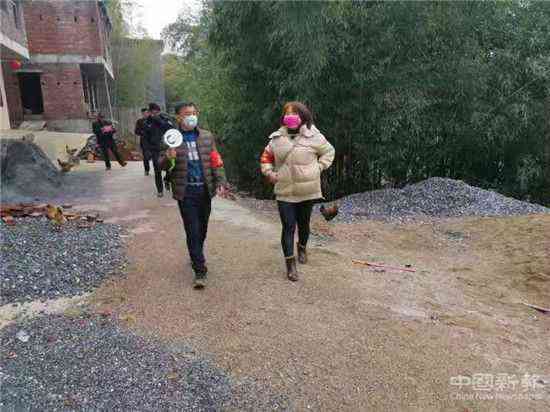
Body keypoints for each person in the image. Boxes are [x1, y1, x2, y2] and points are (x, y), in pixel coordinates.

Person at [260, 101, 335, 281]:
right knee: (288, 226)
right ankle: (290, 265)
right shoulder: (277, 139)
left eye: (294, 113)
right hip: (284, 190)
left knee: (304, 224)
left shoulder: (314, 136)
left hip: (307, 190)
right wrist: (269, 172)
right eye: (287, 113)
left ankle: (302, 247)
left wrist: (319, 167)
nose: (290, 116)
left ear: (303, 116)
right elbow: (266, 158)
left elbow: (329, 151)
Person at [160, 102, 229, 289]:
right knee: (192, 230)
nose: (191, 116)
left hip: (204, 190)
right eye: (187, 114)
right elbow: (161, 165)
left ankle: (196, 253)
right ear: (179, 117)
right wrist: (168, 157)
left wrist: (221, 182)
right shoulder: (171, 138)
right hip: (186, 191)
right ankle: (200, 270)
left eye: (194, 113)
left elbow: (216, 161)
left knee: (202, 229)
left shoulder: (206, 136)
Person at [144, 102, 176, 197]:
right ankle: (160, 190)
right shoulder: (147, 123)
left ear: (159, 111)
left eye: (156, 112)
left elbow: (172, 129)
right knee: (157, 169)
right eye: (152, 113)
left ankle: (167, 179)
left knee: (171, 167)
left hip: (167, 147)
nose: (154, 114)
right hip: (155, 149)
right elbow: (145, 138)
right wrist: (147, 150)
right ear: (150, 112)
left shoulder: (165, 119)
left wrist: (160, 121)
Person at [134, 107, 151, 175]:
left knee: (155, 156)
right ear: (142, 114)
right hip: (144, 142)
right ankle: (146, 170)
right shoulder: (139, 121)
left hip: (153, 141)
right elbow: (136, 131)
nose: (145, 114)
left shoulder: (153, 120)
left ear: (149, 113)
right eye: (143, 113)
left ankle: (157, 170)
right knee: (146, 157)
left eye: (146, 113)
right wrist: (142, 132)